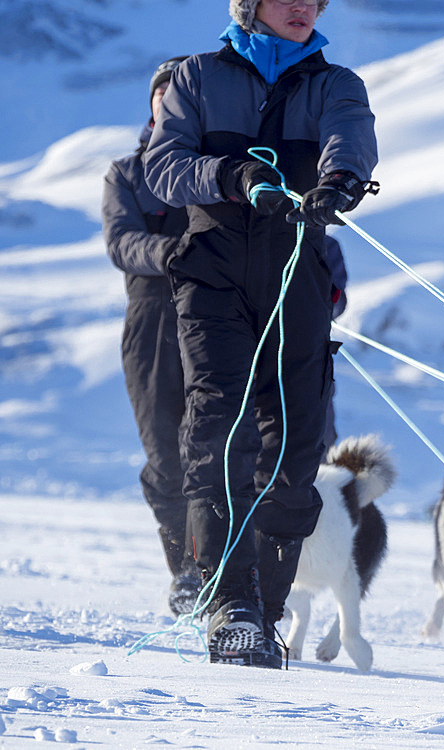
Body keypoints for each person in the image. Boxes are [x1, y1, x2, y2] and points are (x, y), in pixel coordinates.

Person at [143, 0, 378, 668]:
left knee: (296, 449)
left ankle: (266, 610)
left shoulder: (336, 85)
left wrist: (338, 183)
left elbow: (350, 137)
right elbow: (164, 166)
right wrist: (231, 176)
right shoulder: (196, 78)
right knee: (219, 426)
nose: (304, 6)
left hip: (295, 271)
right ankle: (232, 607)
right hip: (210, 273)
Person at [102, 56, 199, 617]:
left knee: (214, 445)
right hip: (153, 318)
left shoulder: (212, 169)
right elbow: (121, 243)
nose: (171, 104)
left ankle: (224, 568)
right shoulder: (127, 174)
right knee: (165, 455)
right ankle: (186, 569)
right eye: (165, 95)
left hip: (214, 315)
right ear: (153, 103)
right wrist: (170, 252)